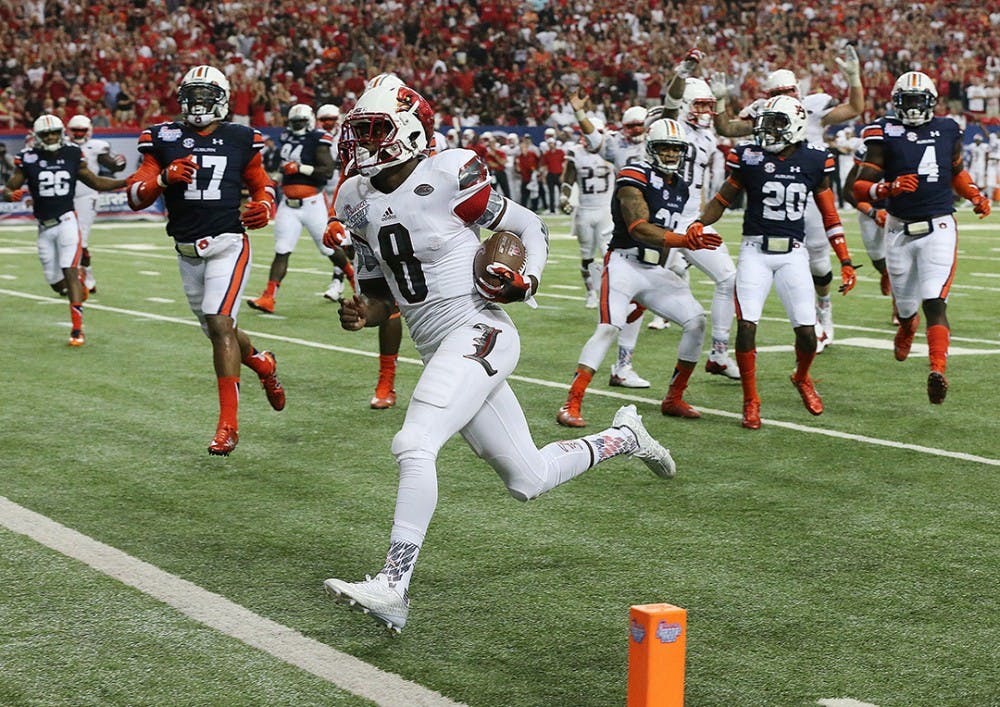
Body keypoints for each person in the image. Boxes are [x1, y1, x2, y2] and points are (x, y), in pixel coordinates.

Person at [322, 79, 677, 633]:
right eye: (358, 130)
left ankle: (394, 584)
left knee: (415, 442)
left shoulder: (448, 175)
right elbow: (381, 293)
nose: (361, 142)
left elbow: (528, 226)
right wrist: (362, 312)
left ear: (409, 133)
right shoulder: (352, 198)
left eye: (374, 130)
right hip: (437, 342)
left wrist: (526, 279)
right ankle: (624, 438)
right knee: (527, 477)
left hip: (479, 327)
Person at [125, 65, 285, 455]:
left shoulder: (241, 137)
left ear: (222, 99)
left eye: (204, 96)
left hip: (229, 243)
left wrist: (265, 203)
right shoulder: (162, 136)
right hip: (186, 249)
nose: (197, 104)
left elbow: (261, 183)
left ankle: (227, 426)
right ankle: (262, 363)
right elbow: (134, 195)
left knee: (219, 320)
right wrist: (162, 179)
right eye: (191, 96)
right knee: (217, 330)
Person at [687, 95, 858, 429]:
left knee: (807, 333)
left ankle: (802, 376)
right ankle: (751, 400)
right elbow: (723, 198)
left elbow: (829, 214)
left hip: (794, 253)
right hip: (755, 251)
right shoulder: (749, 157)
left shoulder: (814, 159)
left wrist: (846, 259)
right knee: (747, 326)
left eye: (776, 123)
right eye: (766, 122)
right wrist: (699, 223)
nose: (768, 130)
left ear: (794, 125)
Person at [557, 118, 724, 427]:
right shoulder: (633, 176)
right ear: (651, 148)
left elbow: (675, 232)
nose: (672, 154)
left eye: (676, 149)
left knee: (696, 321)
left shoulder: (682, 187)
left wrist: (688, 244)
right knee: (609, 326)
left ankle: (674, 397)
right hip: (623, 262)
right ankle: (572, 403)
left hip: (653, 268)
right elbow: (639, 228)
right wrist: (683, 240)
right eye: (666, 148)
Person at [711, 44, 864, 352]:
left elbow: (854, 109)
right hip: (773, 191)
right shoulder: (763, 114)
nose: (786, 95)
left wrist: (855, 79)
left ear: (799, 90)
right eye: (777, 91)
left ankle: (824, 308)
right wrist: (721, 100)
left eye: (789, 90)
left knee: (819, 264)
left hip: (809, 192)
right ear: (767, 95)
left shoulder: (812, 109)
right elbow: (726, 127)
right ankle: (810, 323)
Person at [851, 71, 991, 404]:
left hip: (939, 225)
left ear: (931, 102)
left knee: (934, 301)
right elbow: (859, 186)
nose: (913, 108)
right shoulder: (882, 131)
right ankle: (906, 327)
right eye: (907, 101)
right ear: (896, 103)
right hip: (898, 228)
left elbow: (956, 171)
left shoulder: (947, 129)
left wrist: (973, 194)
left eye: (919, 101)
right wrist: (887, 187)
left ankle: (938, 369)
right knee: (906, 308)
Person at [2, 115, 127, 346]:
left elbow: (96, 182)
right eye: (45, 134)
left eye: (53, 133)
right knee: (55, 282)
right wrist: (10, 194)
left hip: (67, 220)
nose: (50, 137)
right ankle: (78, 285)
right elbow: (10, 187)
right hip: (44, 227)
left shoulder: (72, 153)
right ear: (38, 137)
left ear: (60, 133)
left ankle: (77, 330)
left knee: (69, 269)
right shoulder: (27, 157)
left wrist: (126, 182)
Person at [659, 75, 741, 379]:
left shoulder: (707, 137)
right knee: (637, 295)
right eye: (700, 105)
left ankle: (719, 353)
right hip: (662, 218)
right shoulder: (670, 126)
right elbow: (668, 111)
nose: (705, 112)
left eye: (709, 106)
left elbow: (701, 185)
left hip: (692, 218)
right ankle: (621, 363)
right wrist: (680, 77)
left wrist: (702, 217)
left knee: (728, 278)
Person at [570, 93, 654, 387]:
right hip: (627, 225)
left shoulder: (658, 141)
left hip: (655, 223)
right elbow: (595, 141)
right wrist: (580, 114)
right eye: (630, 126)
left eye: (640, 125)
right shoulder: (616, 145)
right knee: (615, 315)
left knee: (685, 312)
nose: (636, 131)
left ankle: (717, 350)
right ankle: (618, 367)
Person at [246, 103, 344, 312]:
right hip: (288, 204)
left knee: (328, 248)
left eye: (301, 121)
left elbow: (326, 171)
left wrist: (300, 168)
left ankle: (351, 279)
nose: (298, 125)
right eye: (294, 122)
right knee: (282, 250)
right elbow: (284, 168)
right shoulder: (286, 138)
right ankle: (269, 297)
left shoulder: (319, 138)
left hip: (312, 202)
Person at [66, 114, 128, 293]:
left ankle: (87, 276)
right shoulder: (62, 145)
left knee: (81, 240)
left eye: (82, 130)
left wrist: (118, 163)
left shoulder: (95, 146)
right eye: (75, 130)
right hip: (65, 197)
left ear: (89, 131)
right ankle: (79, 275)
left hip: (86, 197)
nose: (78, 134)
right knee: (67, 240)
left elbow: (112, 165)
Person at [558, 117, 615, 308]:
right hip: (585, 210)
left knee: (609, 254)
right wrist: (564, 197)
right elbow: (568, 179)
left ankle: (609, 291)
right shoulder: (576, 153)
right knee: (587, 255)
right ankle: (592, 291)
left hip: (606, 210)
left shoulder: (611, 151)